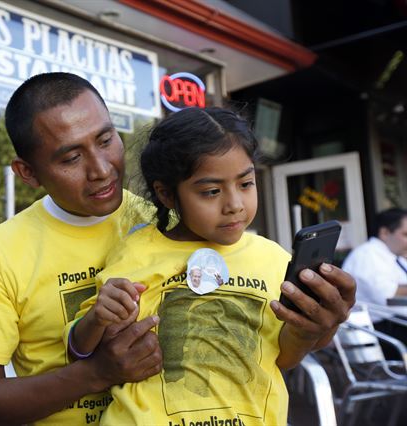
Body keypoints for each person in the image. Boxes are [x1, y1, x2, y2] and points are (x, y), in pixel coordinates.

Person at [67, 107, 356, 425]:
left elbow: (283, 356)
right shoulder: (137, 253)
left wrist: (309, 328)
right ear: (167, 194)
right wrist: (98, 317)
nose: (234, 205)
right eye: (212, 192)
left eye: (245, 183)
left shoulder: (273, 259)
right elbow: (82, 349)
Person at [0, 73, 162, 425]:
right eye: (71, 158)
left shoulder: (161, 221)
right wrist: (96, 373)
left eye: (106, 140)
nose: (102, 170)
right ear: (28, 173)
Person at [342, 208, 407, 312]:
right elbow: (387, 295)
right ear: (384, 233)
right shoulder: (368, 254)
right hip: (382, 324)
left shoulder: (392, 254)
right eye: (405, 234)